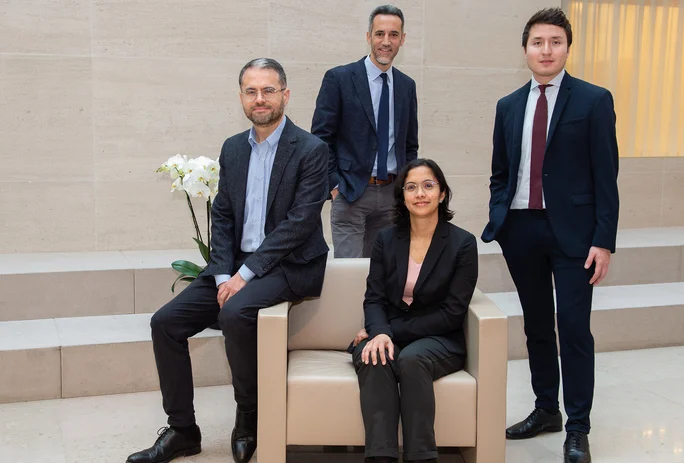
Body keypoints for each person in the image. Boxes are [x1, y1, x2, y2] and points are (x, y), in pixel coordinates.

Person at [126, 58, 330, 463]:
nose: (260, 99)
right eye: (251, 91)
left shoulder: (311, 150)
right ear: (241, 96)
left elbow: (300, 223)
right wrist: (223, 272)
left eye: (269, 90)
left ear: (285, 95)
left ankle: (249, 416)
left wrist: (244, 275)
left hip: (289, 264)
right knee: (165, 323)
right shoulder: (233, 148)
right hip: (233, 265)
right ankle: (183, 430)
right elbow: (222, 214)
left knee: (236, 313)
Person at [481, 8, 619, 463]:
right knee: (537, 327)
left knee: (575, 329)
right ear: (525, 49)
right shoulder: (508, 105)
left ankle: (578, 427)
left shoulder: (594, 100)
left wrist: (604, 240)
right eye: (538, 42)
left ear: (566, 47)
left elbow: (606, 176)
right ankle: (546, 410)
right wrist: (500, 218)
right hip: (521, 230)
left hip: (575, 235)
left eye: (555, 42)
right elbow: (501, 173)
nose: (546, 50)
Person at [351, 158, 478, 463]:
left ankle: (422, 457)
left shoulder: (463, 243)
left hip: (439, 338)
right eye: (411, 187)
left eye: (428, 185)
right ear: (403, 197)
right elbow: (374, 298)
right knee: (373, 355)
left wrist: (384, 332)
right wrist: (379, 333)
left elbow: (452, 313)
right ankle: (380, 457)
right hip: (389, 332)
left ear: (442, 193)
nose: (420, 193)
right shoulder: (385, 240)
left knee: (410, 358)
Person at [312, 4, 419, 258]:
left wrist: (407, 187)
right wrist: (335, 184)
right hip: (351, 193)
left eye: (393, 35)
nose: (386, 41)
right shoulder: (339, 78)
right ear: (368, 36)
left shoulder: (406, 86)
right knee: (349, 275)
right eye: (379, 33)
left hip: (393, 196)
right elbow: (320, 139)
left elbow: (410, 144)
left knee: (383, 274)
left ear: (402, 39)